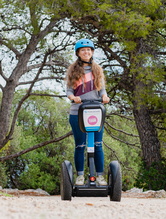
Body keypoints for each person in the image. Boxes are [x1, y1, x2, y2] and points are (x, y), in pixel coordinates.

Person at [65, 38, 110, 186]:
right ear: (78, 53)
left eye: (89, 50)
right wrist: (73, 97)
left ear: (92, 52)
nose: (86, 52)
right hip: (77, 112)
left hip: (95, 111)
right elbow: (69, 90)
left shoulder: (97, 69)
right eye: (83, 50)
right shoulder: (73, 70)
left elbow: (101, 88)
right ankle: (79, 176)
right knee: (80, 145)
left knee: (97, 144)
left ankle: (100, 176)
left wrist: (104, 96)